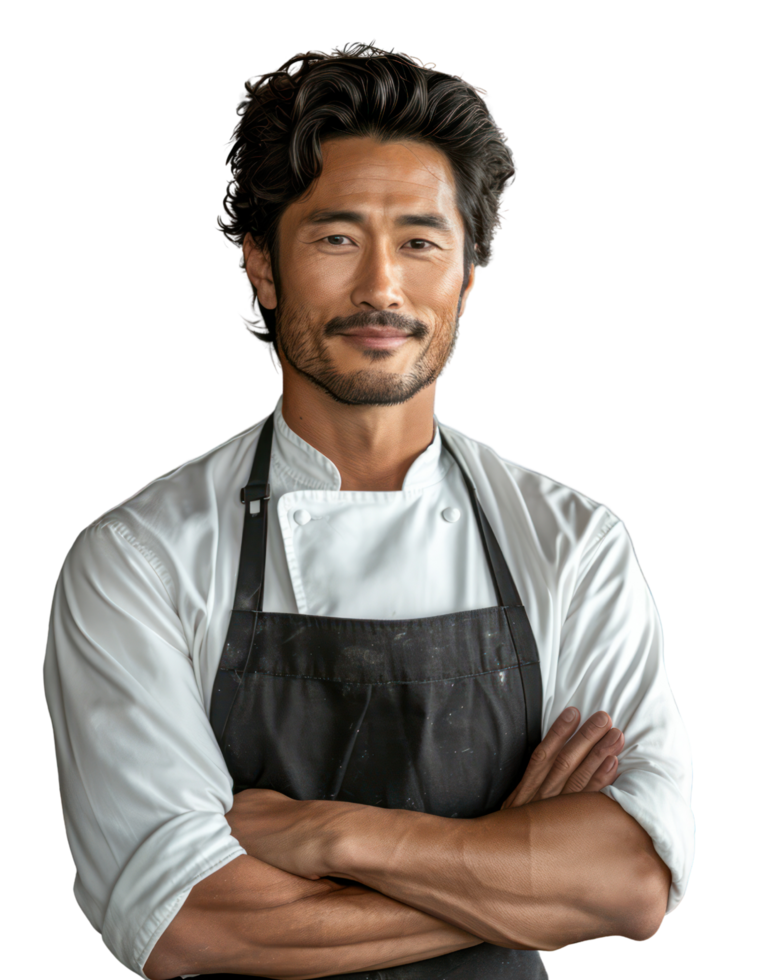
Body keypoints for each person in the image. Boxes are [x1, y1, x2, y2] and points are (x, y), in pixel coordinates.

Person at [41, 41, 694, 980]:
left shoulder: (574, 542)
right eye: (336, 238)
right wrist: (519, 866)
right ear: (261, 268)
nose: (382, 287)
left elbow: (632, 879)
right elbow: (188, 920)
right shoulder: (140, 558)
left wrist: (330, 836)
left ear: (468, 279)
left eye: (422, 243)